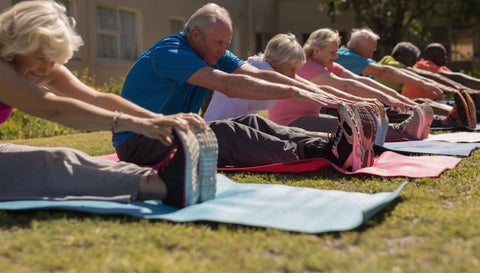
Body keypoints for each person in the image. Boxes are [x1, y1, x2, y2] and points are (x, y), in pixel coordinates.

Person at [0, 0, 214, 208]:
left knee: (71, 157)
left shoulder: (35, 65)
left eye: (53, 60)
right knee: (56, 164)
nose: (47, 69)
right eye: (40, 58)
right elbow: (50, 107)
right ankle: (164, 188)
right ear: (19, 43)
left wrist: (157, 119)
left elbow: (95, 99)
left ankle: (161, 181)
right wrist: (133, 123)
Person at [113, 3, 376, 171]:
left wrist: (308, 90)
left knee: (251, 120)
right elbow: (229, 85)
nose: (224, 50)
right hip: (139, 142)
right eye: (220, 43)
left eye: (227, 43)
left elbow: (260, 74)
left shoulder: (209, 50)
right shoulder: (170, 53)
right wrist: (292, 91)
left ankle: (336, 145)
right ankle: (323, 153)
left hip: (172, 133)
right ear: (195, 35)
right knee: (224, 133)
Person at [268, 28, 435, 144]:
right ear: (316, 50)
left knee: (355, 123)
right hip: (289, 123)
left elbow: (361, 81)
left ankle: (404, 130)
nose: (336, 57)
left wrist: (396, 98)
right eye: (332, 53)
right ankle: (404, 131)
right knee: (352, 127)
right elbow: (345, 86)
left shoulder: (327, 64)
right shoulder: (308, 65)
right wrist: (386, 99)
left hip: (307, 117)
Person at [336, 28, 476, 129]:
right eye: (370, 50)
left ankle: (458, 116)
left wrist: (398, 97)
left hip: (367, 104)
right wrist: (424, 84)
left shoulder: (359, 61)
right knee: (404, 112)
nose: (372, 55)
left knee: (417, 103)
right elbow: (384, 72)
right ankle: (451, 120)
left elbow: (369, 82)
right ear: (358, 46)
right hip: (356, 109)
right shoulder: (346, 56)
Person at [378, 42, 478, 128]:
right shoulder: (392, 64)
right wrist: (459, 88)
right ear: (400, 57)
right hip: (379, 109)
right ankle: (459, 117)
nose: (413, 65)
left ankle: (463, 114)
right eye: (412, 61)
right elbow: (426, 75)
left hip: (385, 104)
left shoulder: (390, 63)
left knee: (423, 102)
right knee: (420, 106)